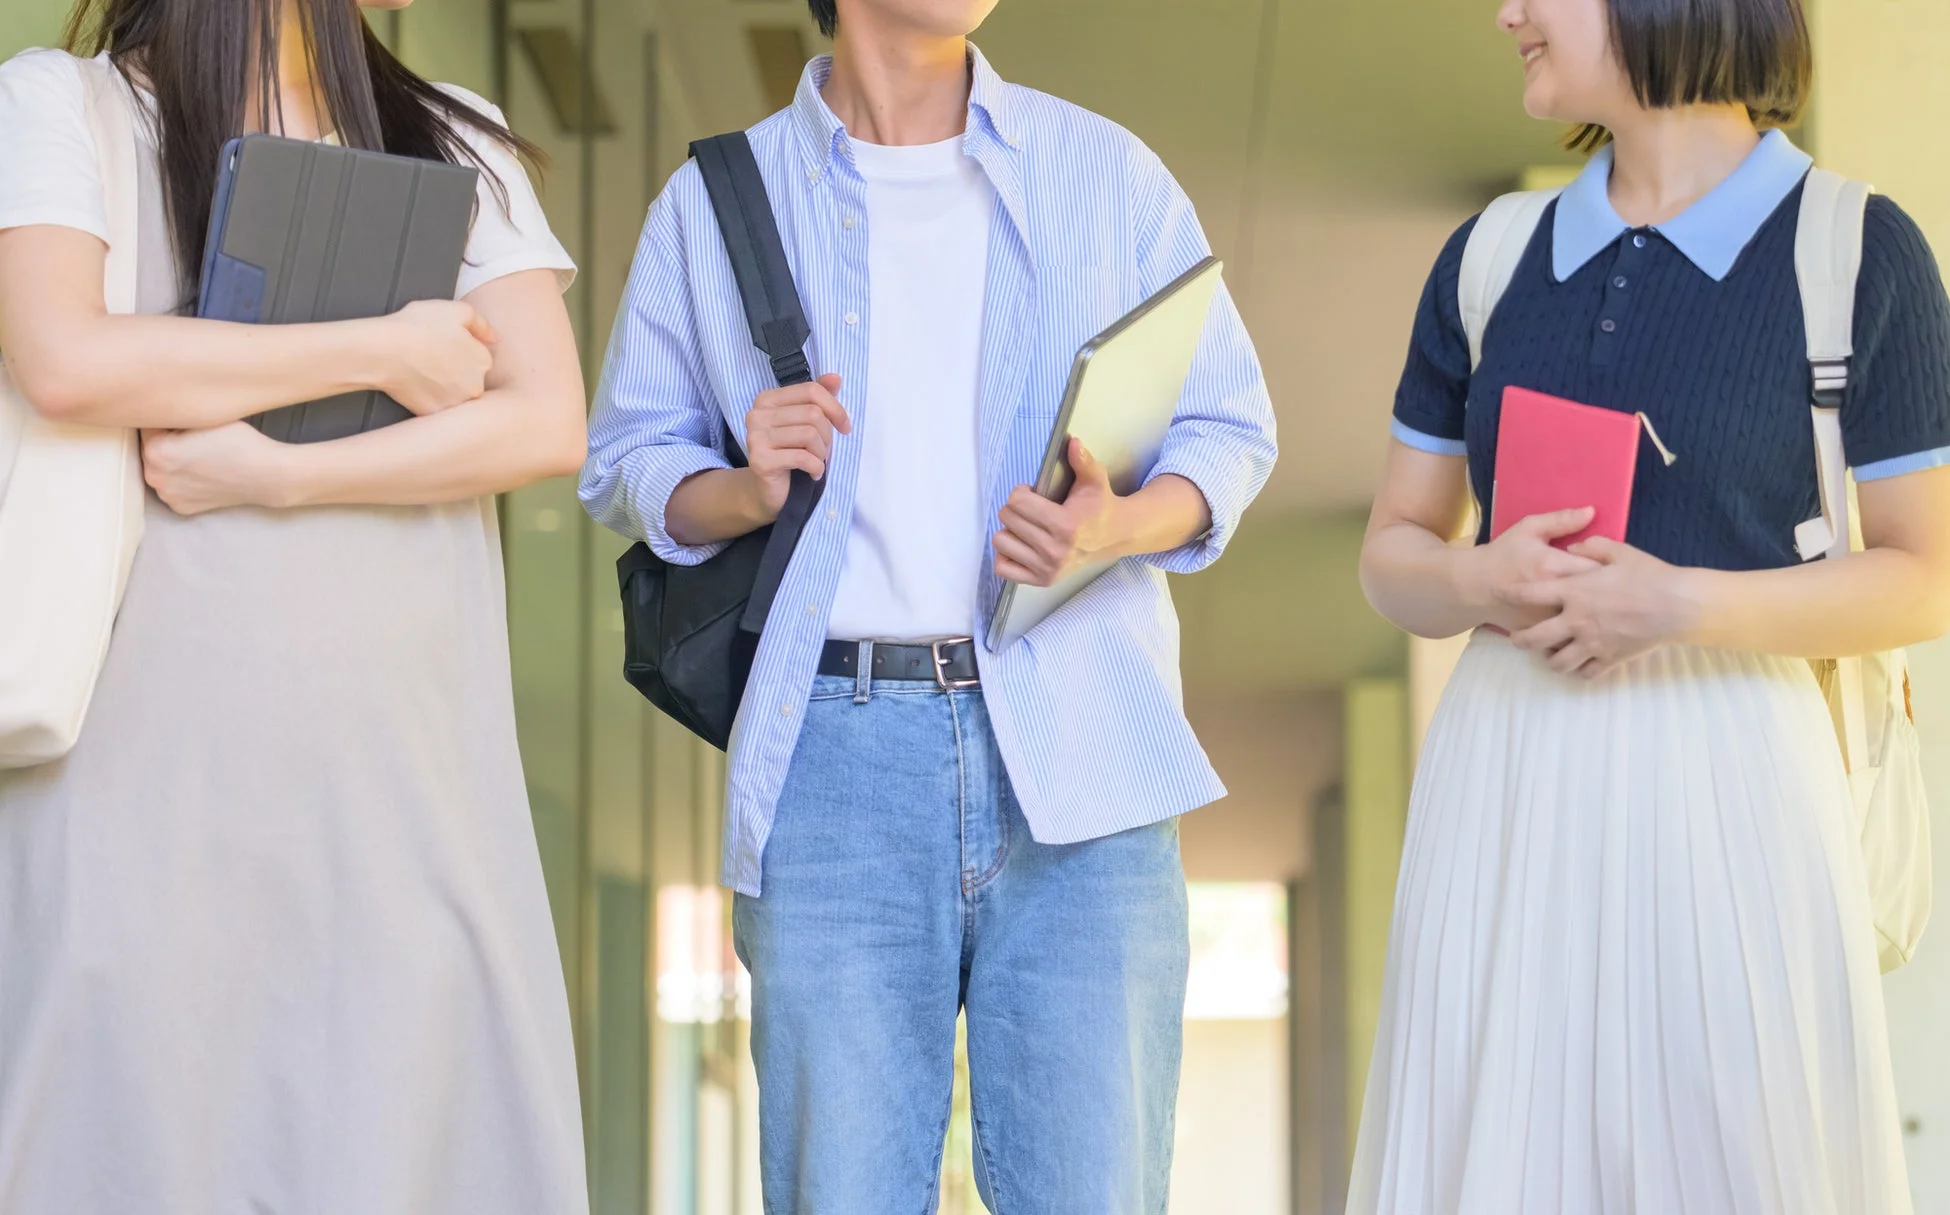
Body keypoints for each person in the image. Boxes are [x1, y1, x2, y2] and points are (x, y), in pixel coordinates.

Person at [580, 0, 1277, 1207]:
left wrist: (1116, 526)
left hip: (1081, 747)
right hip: (832, 759)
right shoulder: (713, 204)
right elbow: (628, 468)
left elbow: (1229, 426)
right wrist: (743, 488)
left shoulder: (1102, 171)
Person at [1350, 0, 1950, 1210]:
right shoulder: (1492, 256)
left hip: (1735, 782)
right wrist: (1480, 578)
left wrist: (1678, 606)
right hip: (1509, 780)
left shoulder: (1856, 249)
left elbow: (1926, 572)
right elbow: (1392, 556)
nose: (1506, 13)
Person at [0, 1, 589, 1211]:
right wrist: (381, 350)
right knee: (132, 1134)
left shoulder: (448, 137)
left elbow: (544, 418)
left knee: (409, 1138)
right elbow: (67, 358)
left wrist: (277, 473)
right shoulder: (65, 105)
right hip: (142, 761)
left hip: (403, 764)